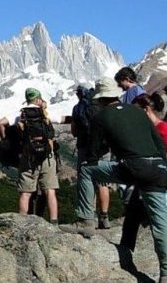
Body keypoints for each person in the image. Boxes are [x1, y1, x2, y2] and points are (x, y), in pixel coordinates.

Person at [61, 77, 167, 282]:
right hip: (158, 169)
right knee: (161, 223)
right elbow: (159, 145)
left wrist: (93, 159)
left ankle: (85, 220)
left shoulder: (100, 117)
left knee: (86, 170)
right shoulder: (138, 112)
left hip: (132, 167)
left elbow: (92, 153)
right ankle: (165, 272)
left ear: (100, 99)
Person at [0, 88, 59, 224]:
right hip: (47, 158)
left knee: (25, 193)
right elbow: (64, 119)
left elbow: (0, 123)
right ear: (38, 99)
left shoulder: (21, 114)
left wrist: (5, 140)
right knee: (50, 191)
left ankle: (22, 223)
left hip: (28, 157)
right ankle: (54, 222)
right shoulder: (45, 113)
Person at [120, 93, 167, 254]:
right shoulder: (151, 130)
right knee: (131, 216)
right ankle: (125, 253)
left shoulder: (163, 130)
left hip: (159, 183)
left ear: (146, 110)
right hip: (146, 181)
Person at [70, 85, 111, 229]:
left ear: (79, 95)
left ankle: (88, 217)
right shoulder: (102, 105)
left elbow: (74, 131)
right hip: (103, 148)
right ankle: (104, 218)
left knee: (86, 180)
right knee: (103, 183)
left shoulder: (78, 107)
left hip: (85, 148)